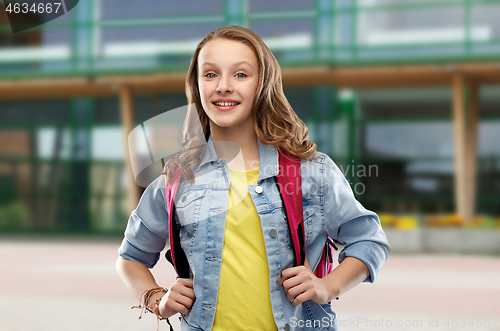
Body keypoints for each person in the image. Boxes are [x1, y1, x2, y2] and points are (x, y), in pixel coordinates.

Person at [116, 25, 391, 331]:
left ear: (263, 84)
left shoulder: (313, 172)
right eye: (210, 74)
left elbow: (369, 240)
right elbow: (130, 258)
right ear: (196, 86)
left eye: (240, 74)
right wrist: (157, 298)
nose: (223, 86)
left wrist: (328, 286)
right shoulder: (177, 181)